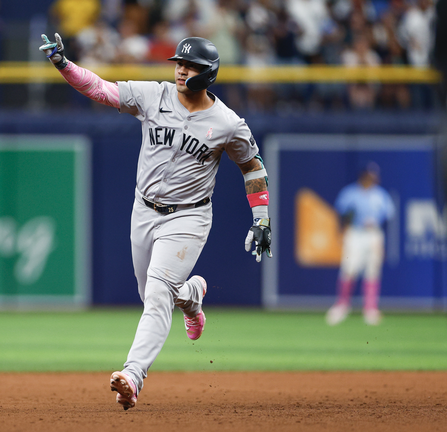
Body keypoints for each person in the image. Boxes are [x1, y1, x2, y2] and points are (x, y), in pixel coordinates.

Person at [38, 32, 272, 410]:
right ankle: (193, 297)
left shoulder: (227, 122)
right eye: (178, 63)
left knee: (159, 290)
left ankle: (132, 375)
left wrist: (261, 218)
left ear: (208, 73)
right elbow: (100, 89)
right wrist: (63, 64)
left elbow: (252, 166)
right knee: (151, 294)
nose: (180, 70)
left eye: (189, 65)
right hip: (144, 210)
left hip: (190, 216)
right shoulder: (155, 95)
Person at [326, 162, 395, 326]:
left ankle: (370, 308)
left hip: (373, 234)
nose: (372, 178)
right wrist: (341, 232)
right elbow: (342, 213)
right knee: (349, 268)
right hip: (355, 233)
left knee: (373, 270)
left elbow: (388, 216)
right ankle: (342, 305)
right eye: (370, 175)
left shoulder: (381, 194)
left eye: (374, 176)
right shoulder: (351, 193)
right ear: (363, 175)